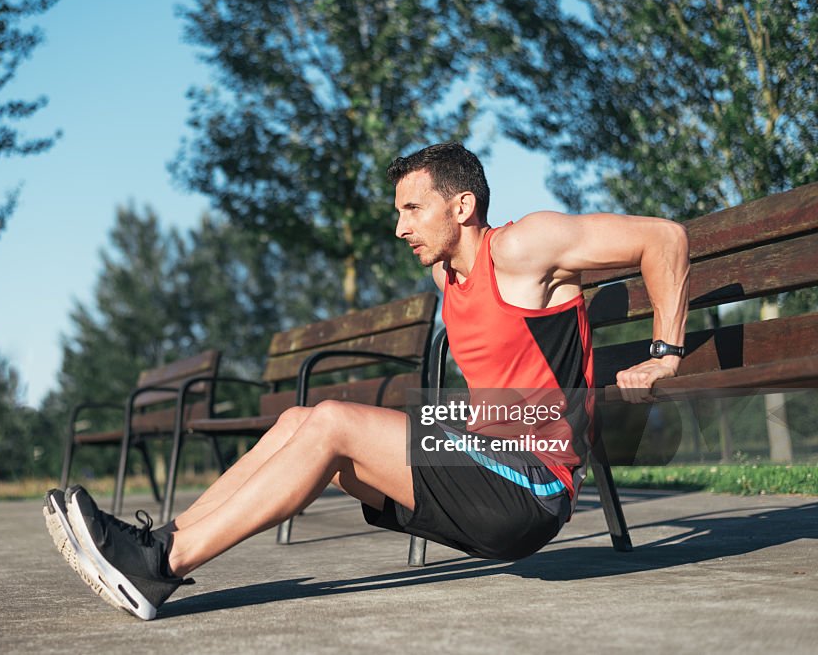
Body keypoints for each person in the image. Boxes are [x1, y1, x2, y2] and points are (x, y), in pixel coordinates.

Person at [43, 141, 690, 620]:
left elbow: (663, 238)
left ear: (462, 205)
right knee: (301, 420)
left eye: (413, 208)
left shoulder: (524, 247)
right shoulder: (446, 277)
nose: (400, 226)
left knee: (329, 421)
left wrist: (664, 353)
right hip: (485, 457)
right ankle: (155, 544)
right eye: (398, 211)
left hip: (533, 482)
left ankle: (160, 567)